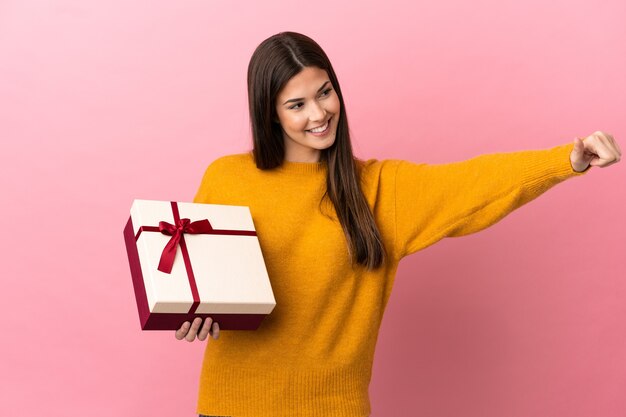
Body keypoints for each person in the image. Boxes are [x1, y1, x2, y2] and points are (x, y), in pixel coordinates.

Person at [174, 32, 621, 417]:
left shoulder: (378, 189)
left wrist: (567, 160)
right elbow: (195, 282)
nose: (318, 114)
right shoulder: (227, 177)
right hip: (228, 403)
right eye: (296, 104)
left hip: (332, 408)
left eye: (325, 92)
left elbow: (474, 184)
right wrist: (192, 313)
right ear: (270, 112)